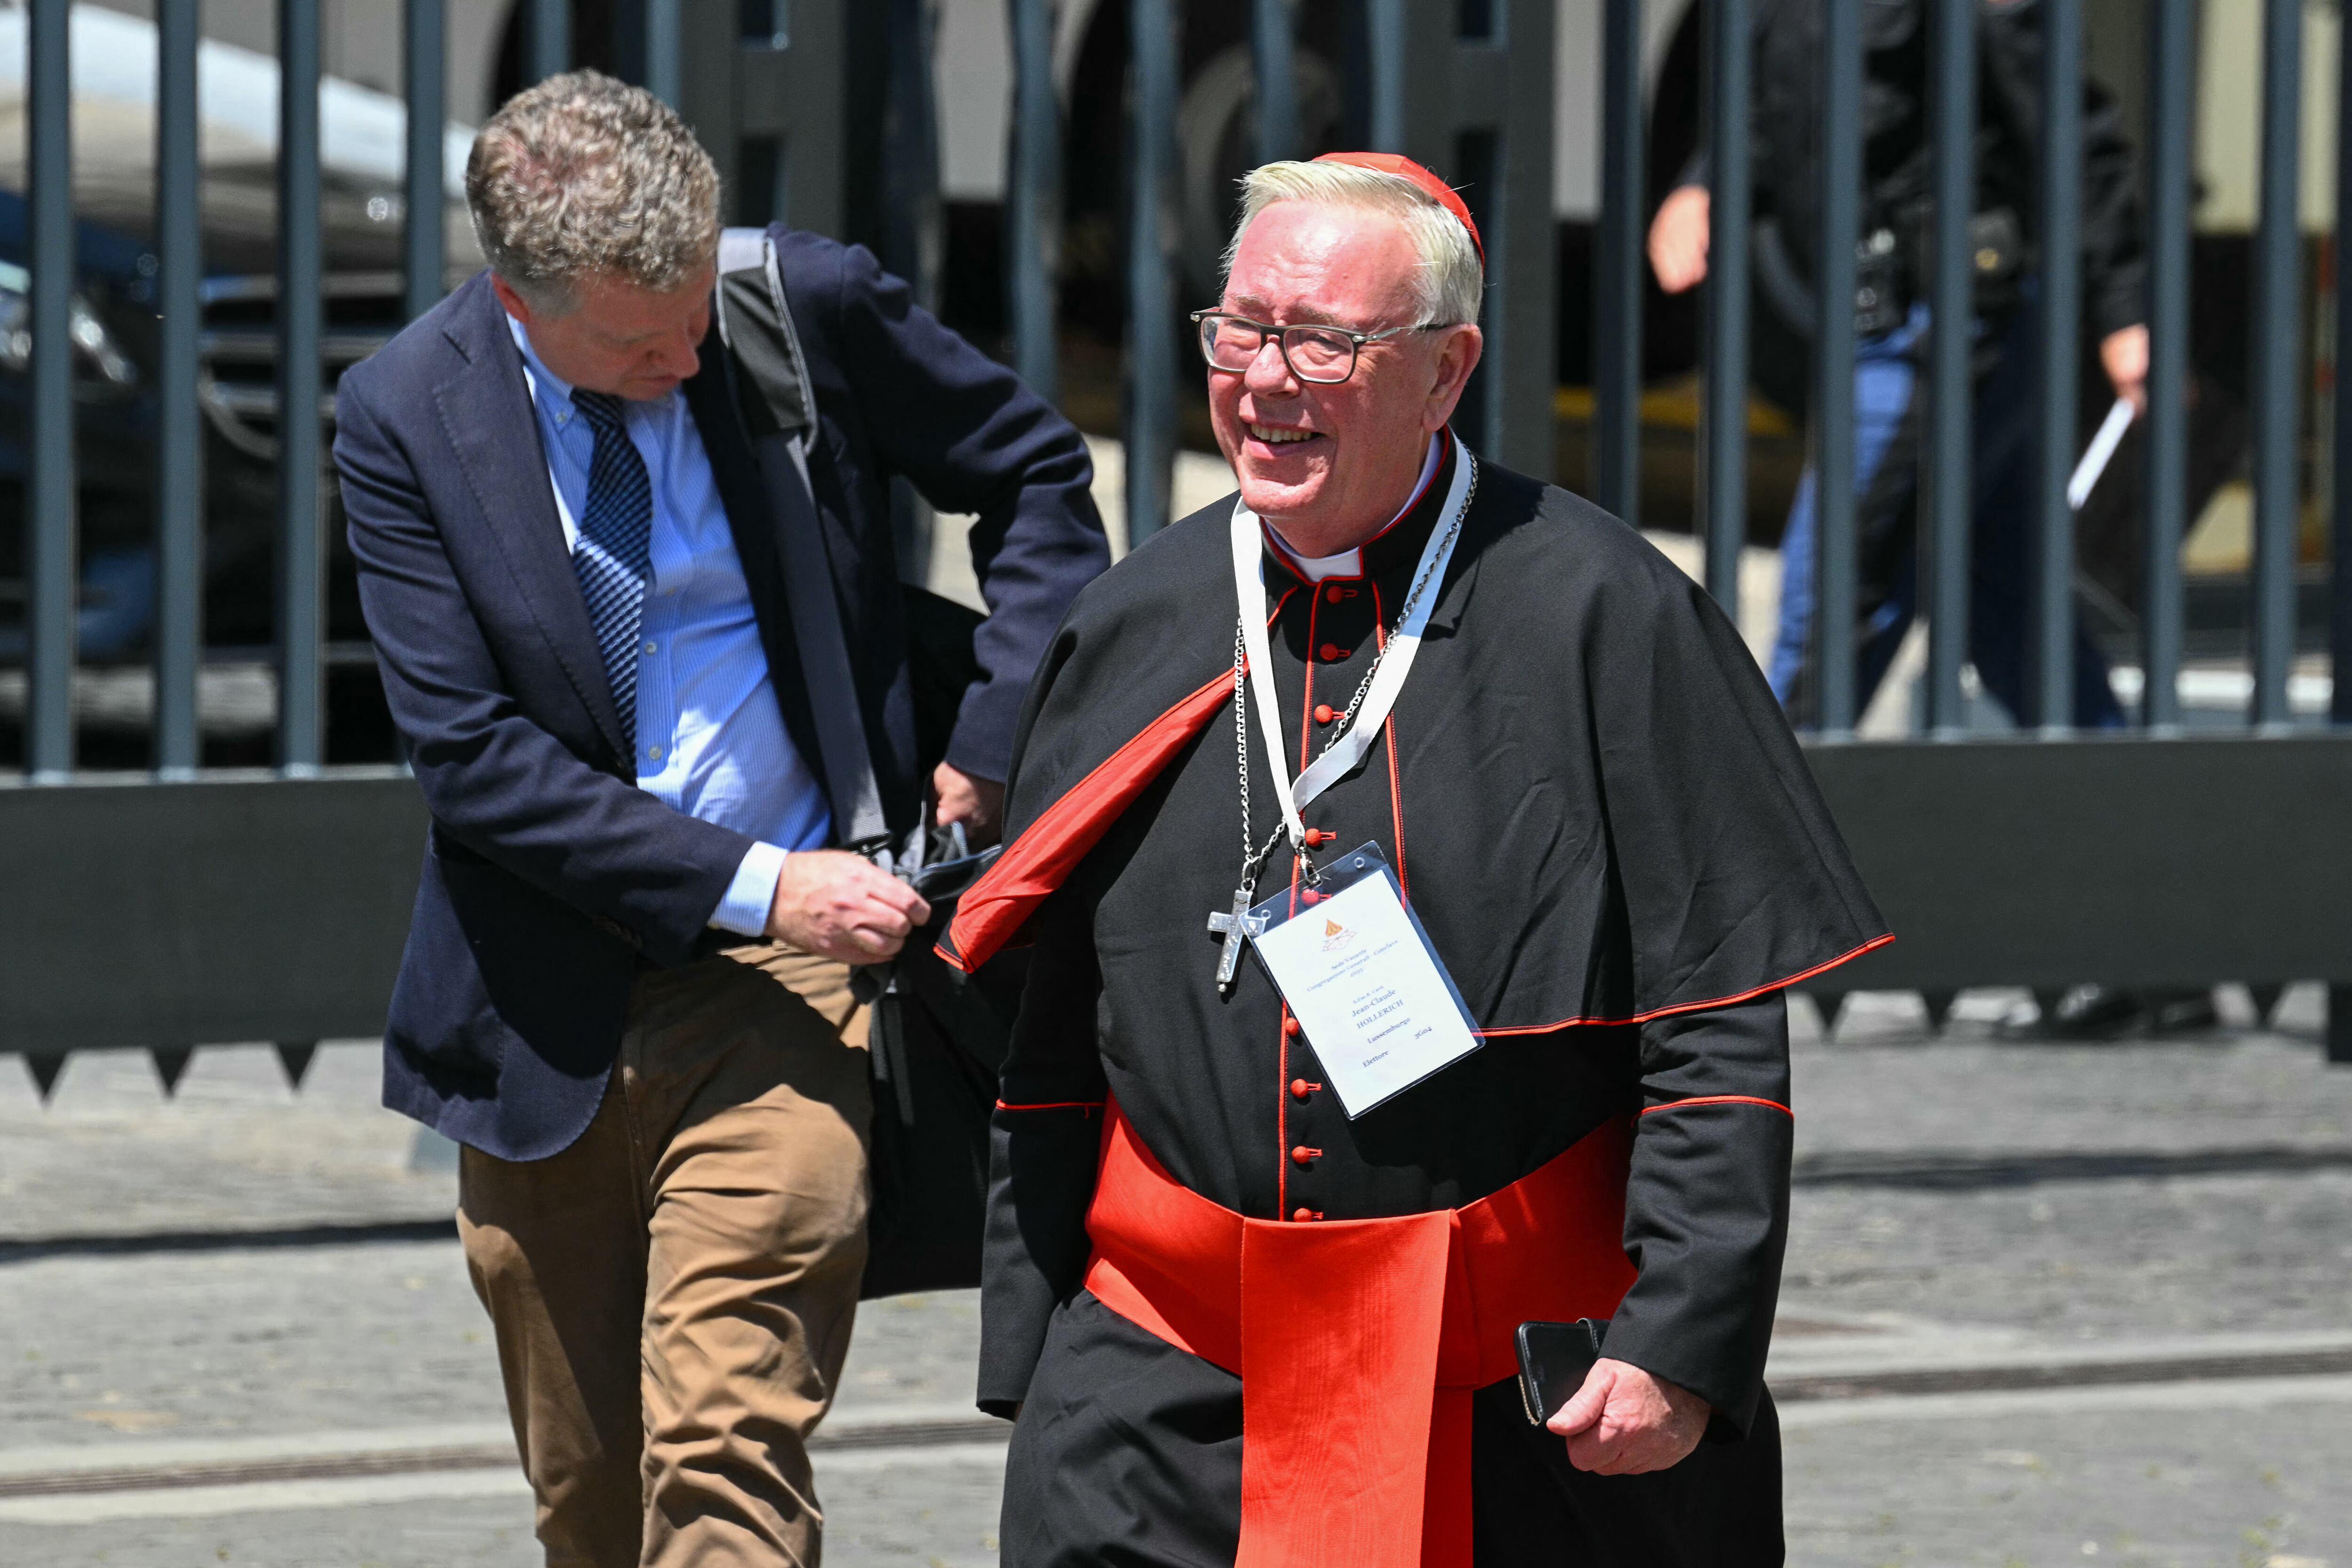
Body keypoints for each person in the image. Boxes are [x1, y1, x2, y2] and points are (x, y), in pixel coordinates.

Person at [944, 153, 1887, 1565]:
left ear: (1447, 372)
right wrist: (1041, 1338)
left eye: (1323, 339)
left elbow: (1714, 1023)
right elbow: (1056, 1027)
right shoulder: (1137, 621)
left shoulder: (1604, 613)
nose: (1266, 376)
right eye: (1241, 327)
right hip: (1166, 1377)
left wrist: (1681, 1337)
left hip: (1513, 1390)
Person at [333, 72, 1106, 1568]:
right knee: (593, 1499)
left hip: (790, 997)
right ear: (520, 298)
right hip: (541, 1009)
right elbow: (475, 761)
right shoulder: (406, 414)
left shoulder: (796, 305)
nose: (692, 351)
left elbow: (1035, 472)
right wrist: (762, 882)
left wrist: (996, 737)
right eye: (643, 338)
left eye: (697, 306)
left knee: (726, 1444)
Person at [1648, 0, 2148, 731]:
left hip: (1940, 318)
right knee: (2006, 595)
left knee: (1833, 591)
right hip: (1871, 314)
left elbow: (2066, 122)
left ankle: (1770, 819)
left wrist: (2123, 305)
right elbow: (1782, 107)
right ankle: (2131, 806)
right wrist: (1705, 183)